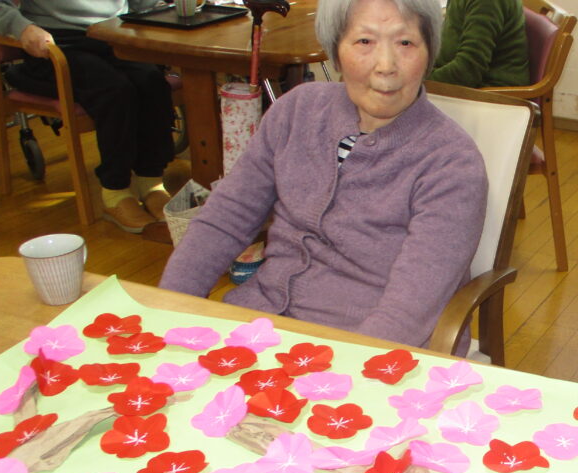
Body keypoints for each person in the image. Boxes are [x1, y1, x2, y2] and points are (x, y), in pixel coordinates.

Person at [159, 0, 488, 350]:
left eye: (405, 42)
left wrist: (343, 365)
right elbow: (225, 219)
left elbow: (411, 309)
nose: (386, 66)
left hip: (368, 348)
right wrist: (167, 311)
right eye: (365, 41)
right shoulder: (296, 111)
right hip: (259, 322)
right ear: (336, 51)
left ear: (429, 52)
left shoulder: (452, 162)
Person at [0, 0, 176, 233]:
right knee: (114, 90)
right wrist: (22, 27)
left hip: (115, 30)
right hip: (56, 41)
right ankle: (115, 192)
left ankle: (151, 182)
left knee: (151, 82)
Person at [428, 0, 529, 88]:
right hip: (458, 80)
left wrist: (424, 82)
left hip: (489, 93)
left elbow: (469, 70)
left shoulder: (487, 3)